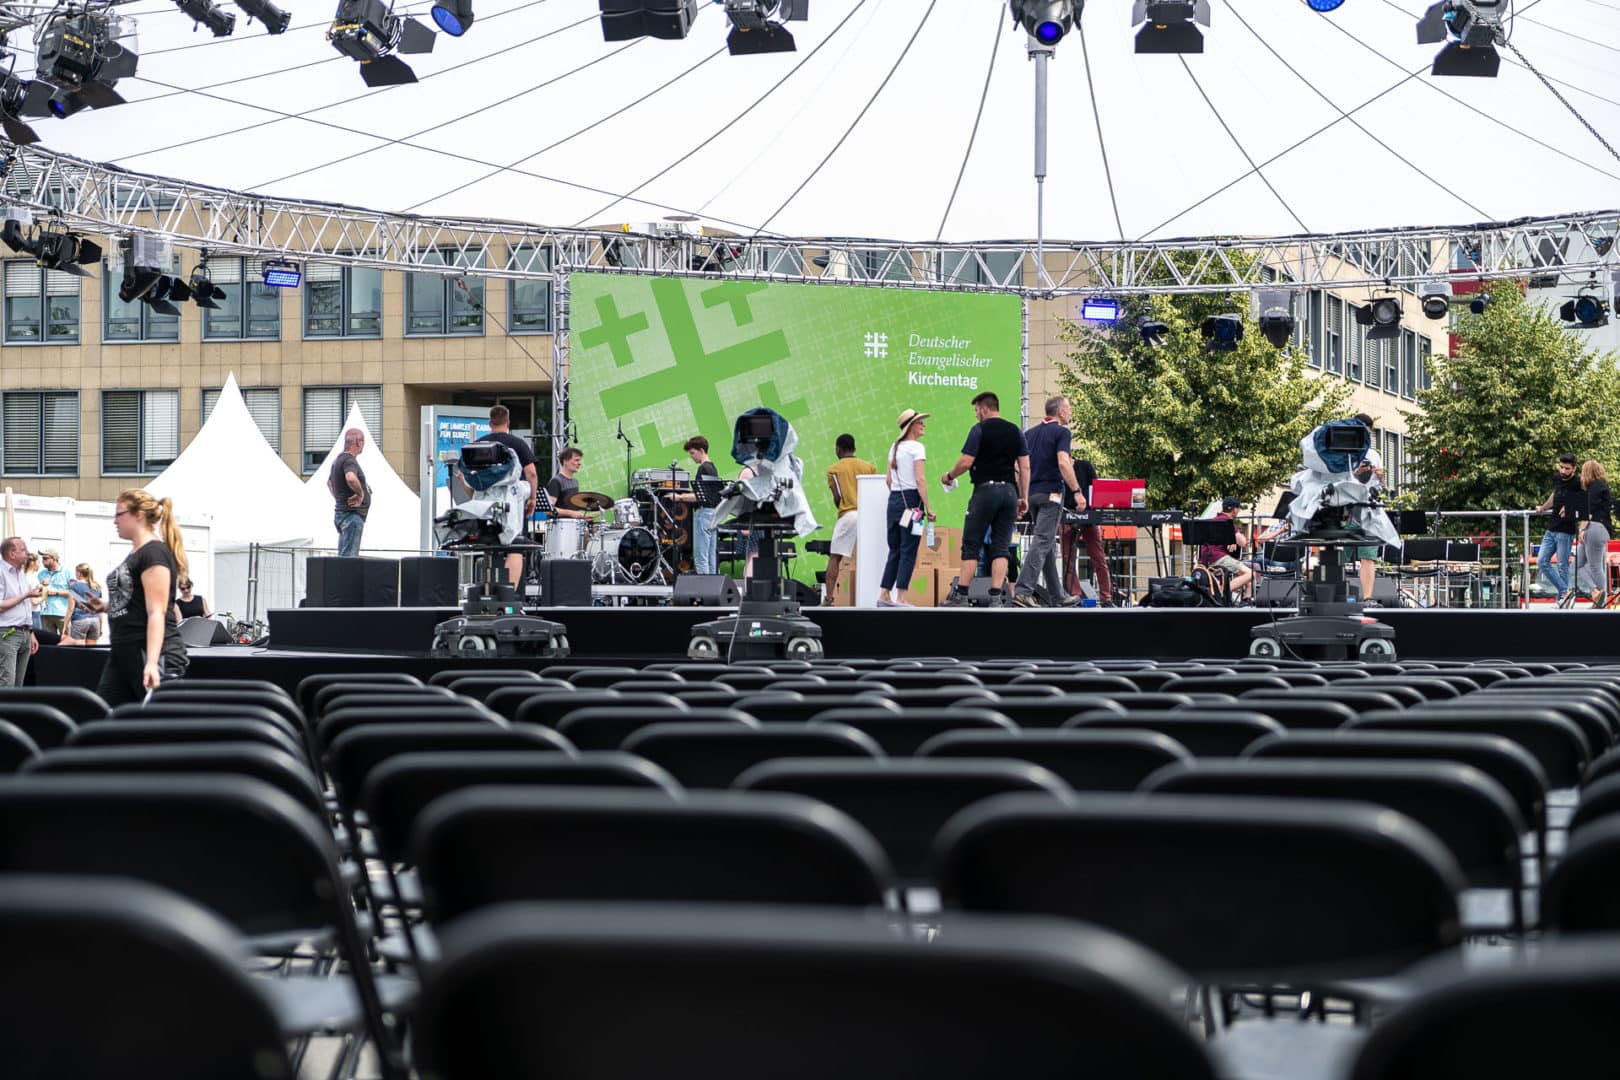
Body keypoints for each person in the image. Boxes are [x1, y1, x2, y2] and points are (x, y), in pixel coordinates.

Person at [81, 490, 189, 705]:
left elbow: (157, 610)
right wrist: (104, 606)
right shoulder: (135, 553)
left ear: (138, 514)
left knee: (157, 727)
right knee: (105, 719)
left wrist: (151, 662)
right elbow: (136, 600)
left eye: (119, 514)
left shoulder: (154, 553)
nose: (115, 521)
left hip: (150, 652)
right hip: (124, 651)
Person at [942, 391, 1030, 607]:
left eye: (976, 410)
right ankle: (995, 596)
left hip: (985, 491)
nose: (976, 415)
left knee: (971, 544)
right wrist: (1023, 496)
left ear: (983, 408)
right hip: (1009, 492)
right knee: (1001, 546)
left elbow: (966, 461)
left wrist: (949, 476)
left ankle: (961, 595)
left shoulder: (979, 429)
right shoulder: (1015, 431)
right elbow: (1025, 466)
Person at [1014, 396, 1084, 608]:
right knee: (1043, 541)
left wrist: (1022, 496)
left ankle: (1058, 596)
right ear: (1061, 412)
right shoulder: (1062, 432)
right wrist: (1077, 491)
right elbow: (1063, 462)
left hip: (1032, 494)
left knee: (1047, 547)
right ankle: (1023, 590)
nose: (1070, 413)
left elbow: (1018, 467)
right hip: (1051, 494)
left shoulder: (1029, 434)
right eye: (1069, 409)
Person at [878, 409, 935, 608]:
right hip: (913, 502)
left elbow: (888, 480)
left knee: (894, 550)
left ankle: (884, 593)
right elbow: (920, 479)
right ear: (911, 426)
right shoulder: (917, 448)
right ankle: (901, 597)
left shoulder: (894, 448)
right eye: (920, 422)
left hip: (894, 500)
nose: (923, 425)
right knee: (909, 550)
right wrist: (928, 507)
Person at [483, 405, 540, 588]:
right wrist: (532, 497)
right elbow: (531, 473)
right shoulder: (517, 443)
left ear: (490, 423)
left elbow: (467, 478)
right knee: (515, 547)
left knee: (489, 548)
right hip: (512, 504)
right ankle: (509, 594)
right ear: (508, 422)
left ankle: (488, 590)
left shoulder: (479, 444)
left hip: (485, 504)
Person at [824, 433, 877, 604]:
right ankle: (875, 595)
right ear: (854, 448)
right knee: (872, 557)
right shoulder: (869, 467)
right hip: (869, 516)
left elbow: (838, 498)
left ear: (838, 449)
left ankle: (829, 598)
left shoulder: (833, 470)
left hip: (849, 515)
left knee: (835, 558)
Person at [1060, 449, 1114, 605]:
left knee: (1098, 557)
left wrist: (1094, 513)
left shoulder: (1084, 466)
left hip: (1089, 515)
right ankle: (1075, 595)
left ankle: (1106, 596)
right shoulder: (1058, 470)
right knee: (1067, 559)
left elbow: (1097, 490)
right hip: (1066, 516)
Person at [1348, 413, 1387, 604]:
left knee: (1368, 555)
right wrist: (1356, 473)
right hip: (1347, 507)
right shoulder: (1343, 453)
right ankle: (1334, 594)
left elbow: (1381, 488)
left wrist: (1380, 478)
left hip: (1369, 506)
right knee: (1338, 554)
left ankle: (1368, 597)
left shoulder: (1374, 455)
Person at [1536, 452, 1583, 600]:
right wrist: (1543, 508)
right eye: (1561, 467)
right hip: (1552, 527)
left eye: (1567, 468)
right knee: (1542, 561)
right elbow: (1554, 495)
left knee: (1562, 565)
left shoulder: (1578, 482)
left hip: (1566, 529)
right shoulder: (1557, 478)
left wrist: (1570, 506)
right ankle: (1565, 591)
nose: (1563, 471)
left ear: (1574, 469)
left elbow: (1584, 503)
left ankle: (1562, 600)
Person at [674, 436, 722, 575]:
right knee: (711, 557)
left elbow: (700, 496)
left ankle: (704, 592)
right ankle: (713, 590)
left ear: (701, 450)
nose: (691, 457)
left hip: (704, 514)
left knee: (701, 557)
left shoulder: (703, 468)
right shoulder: (713, 468)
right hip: (714, 514)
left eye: (693, 453)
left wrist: (679, 497)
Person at [0, 538, 43, 686]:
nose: (27, 553)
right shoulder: (1, 572)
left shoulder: (20, 573)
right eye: (23, 549)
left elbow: (25, 606)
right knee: (7, 682)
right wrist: (27, 595)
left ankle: (13, 710)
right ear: (12, 553)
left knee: (18, 685)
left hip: (24, 632)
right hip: (7, 634)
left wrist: (31, 632)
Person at [1199, 496, 1253, 602]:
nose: (1238, 512)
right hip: (1218, 557)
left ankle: (1246, 601)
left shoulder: (1214, 520)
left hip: (1206, 559)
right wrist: (1238, 536)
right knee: (1249, 574)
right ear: (1234, 510)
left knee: (1247, 581)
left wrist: (1232, 541)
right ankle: (1221, 591)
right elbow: (1243, 543)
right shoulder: (1227, 522)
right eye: (1238, 509)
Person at [1575, 459, 1613, 608]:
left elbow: (1589, 511)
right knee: (1577, 565)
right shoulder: (1600, 486)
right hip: (1599, 528)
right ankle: (1596, 592)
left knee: (1595, 566)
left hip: (1595, 527)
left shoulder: (1595, 487)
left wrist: (1582, 529)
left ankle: (1601, 599)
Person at [328, 428, 370, 558]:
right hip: (351, 516)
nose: (363, 445)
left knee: (343, 557)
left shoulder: (337, 460)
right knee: (349, 560)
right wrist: (360, 495)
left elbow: (329, 483)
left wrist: (340, 499)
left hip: (342, 514)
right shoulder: (349, 460)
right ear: (358, 442)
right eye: (363, 442)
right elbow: (350, 477)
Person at [544, 446, 597, 522]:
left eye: (580, 460)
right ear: (565, 461)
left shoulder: (575, 481)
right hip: (561, 529)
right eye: (576, 460)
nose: (579, 463)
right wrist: (571, 513)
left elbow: (573, 510)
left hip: (573, 527)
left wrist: (582, 517)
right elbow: (548, 510)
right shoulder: (556, 481)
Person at [35, 547, 71, 635]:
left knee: (67, 643)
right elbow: (35, 592)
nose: (43, 561)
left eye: (45, 558)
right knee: (49, 644)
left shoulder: (66, 572)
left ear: (54, 558)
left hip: (62, 614)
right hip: (45, 614)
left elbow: (74, 593)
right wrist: (41, 585)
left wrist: (56, 592)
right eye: (42, 558)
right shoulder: (41, 573)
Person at [68, 562, 103, 643]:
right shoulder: (96, 587)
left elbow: (70, 608)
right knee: (91, 651)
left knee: (79, 651)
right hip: (95, 620)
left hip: (80, 620)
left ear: (79, 573)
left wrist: (65, 626)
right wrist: (100, 626)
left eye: (76, 572)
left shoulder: (74, 586)